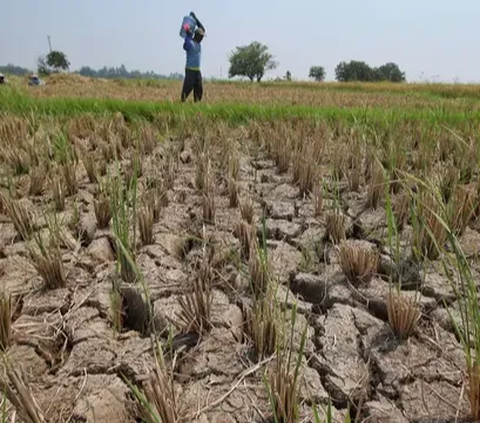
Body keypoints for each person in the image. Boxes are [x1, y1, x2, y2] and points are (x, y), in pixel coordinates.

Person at [181, 12, 205, 103]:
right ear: (197, 36)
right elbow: (185, 44)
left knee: (199, 90)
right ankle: (181, 105)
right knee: (187, 90)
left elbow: (202, 28)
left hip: (197, 71)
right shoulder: (190, 43)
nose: (202, 38)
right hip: (190, 70)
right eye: (201, 36)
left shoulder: (198, 43)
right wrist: (187, 31)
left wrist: (195, 18)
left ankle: (196, 107)